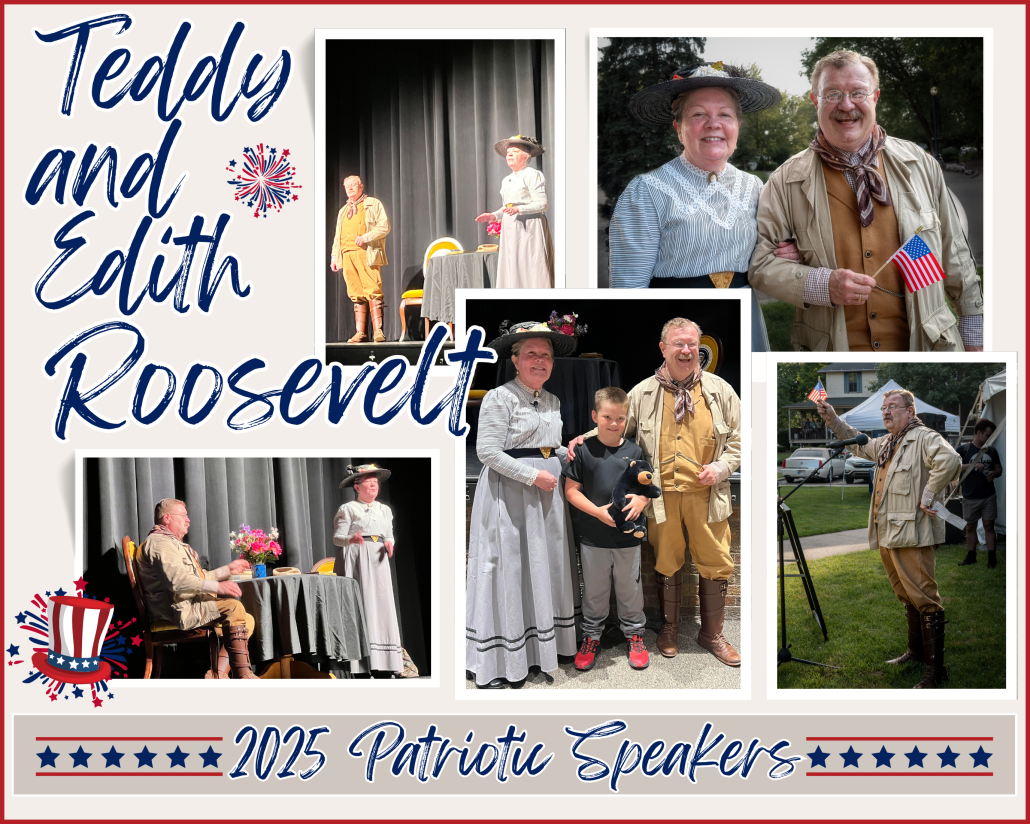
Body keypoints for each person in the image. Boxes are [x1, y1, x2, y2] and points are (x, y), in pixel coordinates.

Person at [749, 50, 984, 353]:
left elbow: (954, 248)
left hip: (928, 344)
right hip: (832, 349)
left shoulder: (920, 164)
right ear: (814, 100)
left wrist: (973, 329)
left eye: (857, 93)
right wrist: (821, 283)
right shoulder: (784, 181)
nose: (846, 105)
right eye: (832, 94)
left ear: (875, 97)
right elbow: (761, 264)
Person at [568, 318, 742, 665]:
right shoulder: (643, 392)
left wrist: (720, 467)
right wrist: (582, 438)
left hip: (707, 497)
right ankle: (669, 629)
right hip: (660, 500)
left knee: (715, 562)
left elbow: (738, 441)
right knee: (667, 561)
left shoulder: (720, 390)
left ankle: (712, 634)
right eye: (678, 343)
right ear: (663, 348)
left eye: (692, 343)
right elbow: (613, 427)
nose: (687, 350)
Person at [608, 62, 801, 352]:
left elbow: (767, 258)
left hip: (742, 319)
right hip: (675, 324)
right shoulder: (646, 191)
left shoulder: (755, 188)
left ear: (737, 125)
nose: (714, 124)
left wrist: (786, 253)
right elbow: (628, 291)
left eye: (725, 114)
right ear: (679, 128)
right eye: (699, 114)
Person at [815, 389, 961, 689]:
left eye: (892, 407)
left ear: (910, 410)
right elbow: (860, 443)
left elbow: (951, 459)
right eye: (883, 407)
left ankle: (935, 672)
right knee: (907, 596)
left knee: (924, 597)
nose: (886, 411)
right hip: (889, 532)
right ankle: (916, 652)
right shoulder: (887, 442)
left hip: (913, 533)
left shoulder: (924, 437)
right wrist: (833, 420)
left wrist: (930, 494)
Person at [465, 321, 581, 688]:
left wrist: (568, 452)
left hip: (545, 500)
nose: (540, 360)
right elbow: (487, 452)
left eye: (545, 355)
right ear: (515, 360)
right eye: (531, 353)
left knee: (541, 567)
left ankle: (540, 652)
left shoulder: (552, 401)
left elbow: (546, 447)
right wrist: (534, 477)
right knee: (507, 568)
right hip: (511, 496)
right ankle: (500, 661)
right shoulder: (499, 398)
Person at [562, 387, 653, 671]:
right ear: (595, 416)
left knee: (630, 589)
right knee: (594, 591)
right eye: (607, 417)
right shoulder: (583, 451)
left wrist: (641, 499)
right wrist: (598, 513)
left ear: (627, 419)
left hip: (628, 539)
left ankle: (635, 634)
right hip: (593, 537)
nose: (614, 424)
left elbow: (646, 487)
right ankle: (591, 636)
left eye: (621, 418)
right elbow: (571, 491)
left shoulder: (635, 450)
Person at [136, 499, 258, 679]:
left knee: (246, 619)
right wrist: (218, 586)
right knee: (234, 607)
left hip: (188, 604)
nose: (188, 520)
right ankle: (244, 676)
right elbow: (178, 582)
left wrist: (227, 570)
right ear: (167, 518)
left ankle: (218, 674)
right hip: (177, 611)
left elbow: (195, 578)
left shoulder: (171, 543)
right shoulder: (160, 543)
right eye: (183, 515)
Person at [334, 464, 403, 677]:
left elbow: (388, 533)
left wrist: (390, 543)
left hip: (378, 558)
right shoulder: (348, 508)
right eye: (368, 482)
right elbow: (337, 538)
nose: (373, 485)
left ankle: (384, 663)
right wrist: (351, 539)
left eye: (375, 482)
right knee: (362, 604)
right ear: (357, 486)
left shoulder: (384, 509)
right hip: (357, 557)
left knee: (381, 606)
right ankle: (362, 665)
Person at [475, 136, 553, 288]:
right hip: (510, 227)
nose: (509, 154)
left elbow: (542, 204)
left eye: (515, 151)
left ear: (525, 157)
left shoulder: (532, 174)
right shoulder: (506, 179)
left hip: (529, 226)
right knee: (512, 265)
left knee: (530, 265)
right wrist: (494, 215)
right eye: (508, 152)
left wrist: (519, 209)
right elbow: (507, 206)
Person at [330, 175, 391, 343]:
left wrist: (366, 237)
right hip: (347, 254)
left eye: (353, 185)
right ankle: (361, 333)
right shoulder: (343, 211)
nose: (350, 188)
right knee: (356, 292)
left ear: (361, 186)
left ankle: (378, 331)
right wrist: (334, 256)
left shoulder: (372, 204)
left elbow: (384, 226)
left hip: (366, 252)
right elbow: (337, 236)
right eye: (347, 186)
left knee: (372, 288)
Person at [956, 418, 1003, 568]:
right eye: (988, 435)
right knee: (970, 527)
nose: (990, 438)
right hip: (970, 496)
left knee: (989, 526)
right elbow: (953, 467)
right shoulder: (963, 449)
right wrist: (972, 465)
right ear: (979, 433)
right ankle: (971, 557)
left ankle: (992, 559)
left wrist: (994, 474)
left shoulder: (992, 450)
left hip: (988, 495)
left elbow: (999, 469)